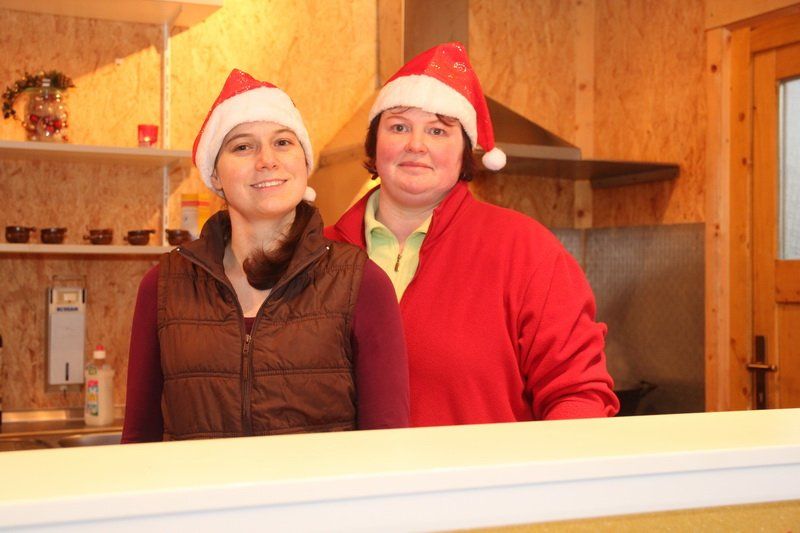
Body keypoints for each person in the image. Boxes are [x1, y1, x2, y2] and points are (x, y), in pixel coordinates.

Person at [325, 43, 619, 426]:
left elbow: (578, 395)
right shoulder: (318, 254)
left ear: (465, 150)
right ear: (374, 143)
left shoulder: (526, 250)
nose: (416, 145)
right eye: (399, 127)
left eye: (438, 130)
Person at [123, 69, 409, 442]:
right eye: (243, 147)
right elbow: (139, 441)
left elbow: (388, 445)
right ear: (215, 175)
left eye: (283, 142)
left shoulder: (362, 284)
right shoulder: (163, 286)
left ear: (304, 163)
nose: (267, 160)